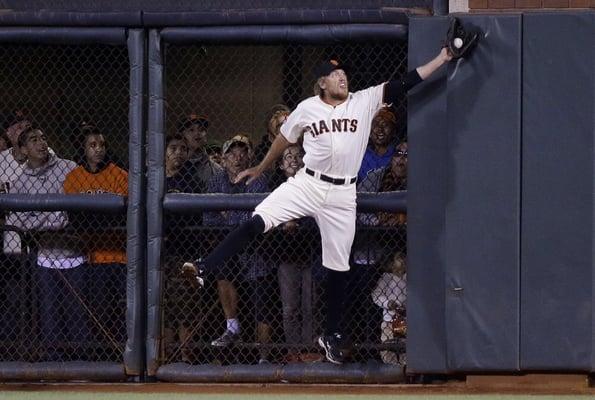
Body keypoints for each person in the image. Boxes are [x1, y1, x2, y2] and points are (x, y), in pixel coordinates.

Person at [182, 48, 453, 364]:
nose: (343, 77)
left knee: (339, 266)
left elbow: (404, 83)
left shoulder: (362, 101)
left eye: (345, 74)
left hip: (342, 195)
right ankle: (205, 265)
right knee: (258, 220)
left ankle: (332, 333)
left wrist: (442, 57)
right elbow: (284, 138)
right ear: (322, 82)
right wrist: (262, 167)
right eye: (336, 74)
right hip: (308, 183)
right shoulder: (308, 108)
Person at [6, 126, 88, 360]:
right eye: (33, 140)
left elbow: (70, 214)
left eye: (43, 138)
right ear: (22, 149)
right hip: (44, 254)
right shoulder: (20, 180)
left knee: (77, 312)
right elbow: (20, 221)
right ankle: (55, 363)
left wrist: (40, 217)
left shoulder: (68, 168)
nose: (41, 143)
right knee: (49, 312)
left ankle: (82, 362)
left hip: (74, 252)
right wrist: (52, 217)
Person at [202, 134, 274, 363]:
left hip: (256, 246)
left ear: (250, 155)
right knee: (222, 265)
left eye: (243, 151)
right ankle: (232, 327)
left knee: (262, 302)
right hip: (227, 246)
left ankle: (264, 357)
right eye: (232, 152)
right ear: (223, 158)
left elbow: (256, 215)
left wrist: (229, 215)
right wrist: (234, 219)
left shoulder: (258, 178)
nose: (238, 157)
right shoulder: (215, 181)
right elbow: (208, 217)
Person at [63, 123, 128, 350]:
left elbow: (122, 217)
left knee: (122, 310)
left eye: (101, 144)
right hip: (91, 257)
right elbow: (76, 218)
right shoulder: (74, 177)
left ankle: (121, 353)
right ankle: (99, 354)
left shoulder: (120, 175)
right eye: (92, 145)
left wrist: (95, 215)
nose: (98, 149)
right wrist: (103, 214)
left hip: (120, 257)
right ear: (83, 149)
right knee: (97, 310)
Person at [274, 144, 323, 363]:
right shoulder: (276, 187)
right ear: (281, 165)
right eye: (288, 156)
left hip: (310, 252)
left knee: (310, 304)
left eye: (298, 155)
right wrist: (283, 224)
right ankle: (294, 350)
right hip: (286, 254)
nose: (294, 159)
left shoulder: (314, 183)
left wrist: (299, 223)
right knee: (290, 307)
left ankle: (310, 348)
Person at [371, 251, 407, 365]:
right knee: (387, 346)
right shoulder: (387, 277)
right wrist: (387, 303)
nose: (401, 262)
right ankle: (390, 367)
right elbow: (376, 295)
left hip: (405, 320)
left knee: (405, 347)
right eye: (398, 259)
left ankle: (404, 366)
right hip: (389, 320)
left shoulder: (409, 278)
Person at [177, 114, 222, 192]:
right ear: (182, 135)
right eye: (191, 130)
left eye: (201, 130)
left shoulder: (216, 169)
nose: (197, 133)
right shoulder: (174, 164)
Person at [357, 107, 398, 187]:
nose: (380, 129)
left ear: (393, 131)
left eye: (385, 124)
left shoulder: (398, 153)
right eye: (375, 124)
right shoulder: (360, 154)